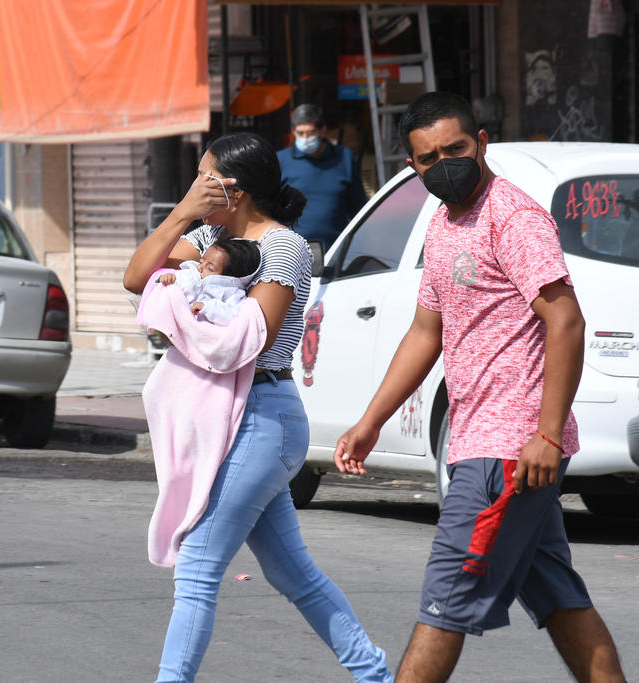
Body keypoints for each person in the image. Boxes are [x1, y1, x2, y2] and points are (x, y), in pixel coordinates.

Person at [332, 92, 627, 683]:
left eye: (456, 149)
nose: (444, 165)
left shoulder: (513, 219)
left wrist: (547, 433)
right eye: (428, 158)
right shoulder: (442, 223)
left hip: (510, 448)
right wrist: (370, 421)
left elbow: (565, 321)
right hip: (480, 441)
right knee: (558, 597)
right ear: (411, 166)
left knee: (445, 600)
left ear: (482, 143)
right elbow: (426, 332)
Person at [124, 132, 393, 683]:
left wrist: (181, 308)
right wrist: (181, 215)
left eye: (205, 177)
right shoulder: (209, 236)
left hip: (263, 415)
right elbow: (136, 277)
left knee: (197, 567)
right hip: (224, 415)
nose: (196, 185)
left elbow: (248, 340)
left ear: (234, 189)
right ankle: (378, 676)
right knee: (294, 573)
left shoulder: (283, 247)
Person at [277, 103, 367, 249]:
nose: (305, 138)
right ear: (293, 132)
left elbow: (358, 207)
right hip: (293, 251)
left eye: (310, 132)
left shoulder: (344, 158)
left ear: (323, 131)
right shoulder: (281, 160)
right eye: (300, 133)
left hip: (336, 250)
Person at [156, 236, 262, 324]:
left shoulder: (232, 293)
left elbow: (233, 315)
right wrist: (170, 278)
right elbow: (178, 279)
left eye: (210, 268)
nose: (200, 267)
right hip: (177, 324)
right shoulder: (192, 273)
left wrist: (208, 308)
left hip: (205, 334)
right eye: (201, 261)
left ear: (228, 278)